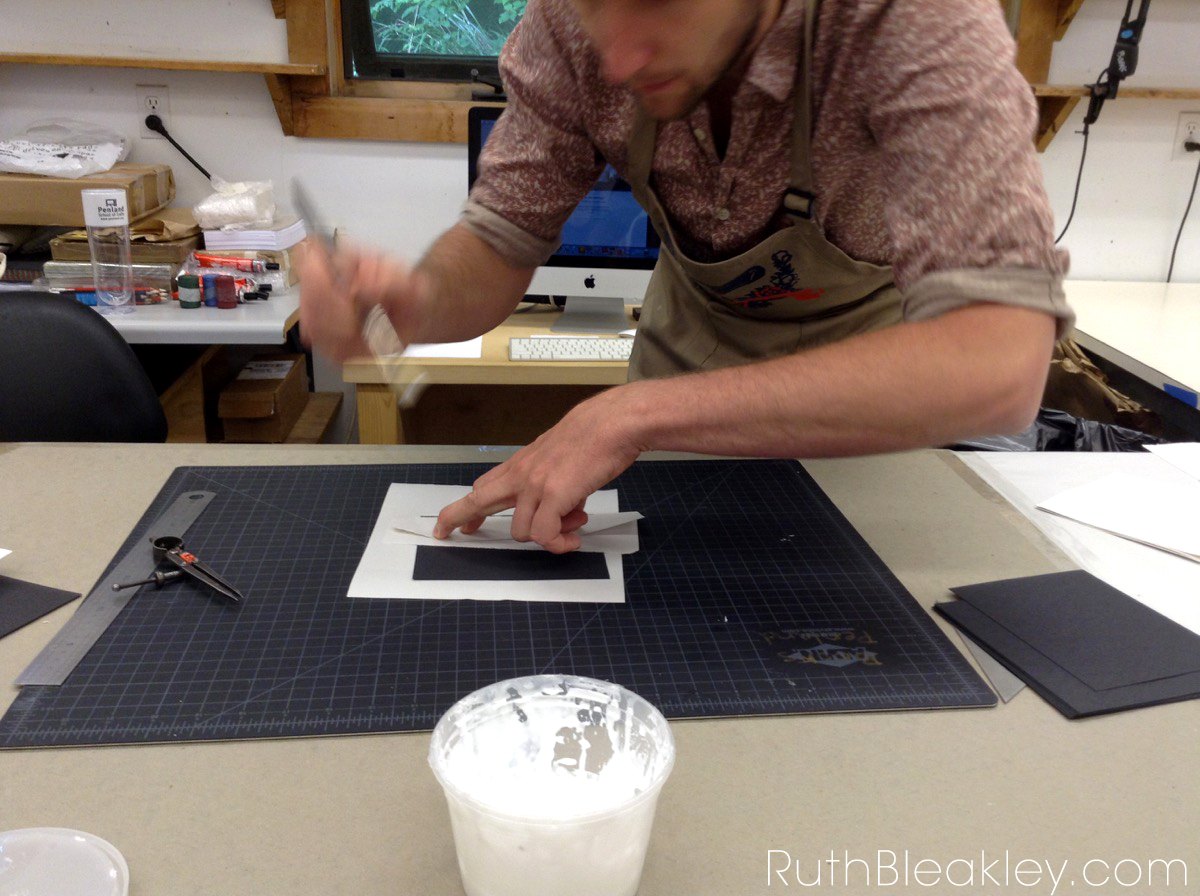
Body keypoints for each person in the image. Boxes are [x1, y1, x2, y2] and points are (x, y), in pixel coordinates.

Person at [299, 0, 1073, 554]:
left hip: (876, 384)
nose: (616, 57)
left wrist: (629, 415)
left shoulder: (912, 20)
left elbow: (995, 362)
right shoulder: (567, 27)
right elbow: (502, 236)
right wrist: (418, 300)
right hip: (690, 346)